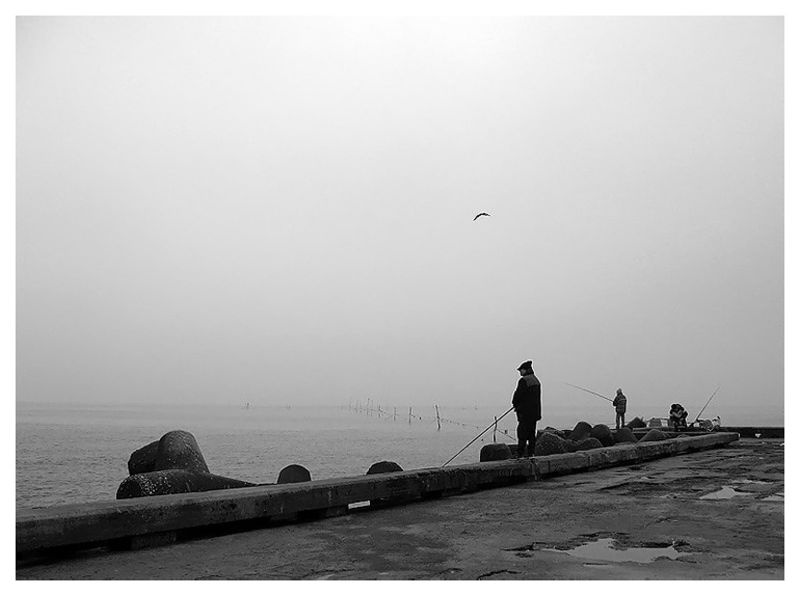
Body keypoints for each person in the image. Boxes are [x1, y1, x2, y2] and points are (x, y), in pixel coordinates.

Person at [511, 360, 541, 457]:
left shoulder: (524, 380)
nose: (520, 372)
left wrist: (515, 404)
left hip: (524, 413)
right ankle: (531, 453)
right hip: (534, 413)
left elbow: (518, 395)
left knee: (522, 433)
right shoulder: (536, 380)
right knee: (531, 434)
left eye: (521, 370)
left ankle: (520, 454)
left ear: (525, 370)